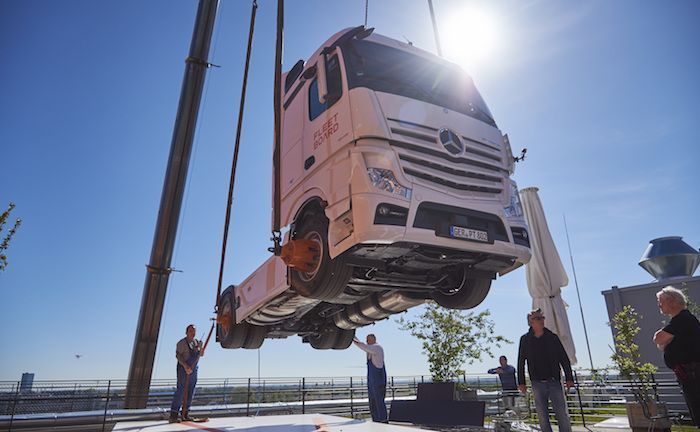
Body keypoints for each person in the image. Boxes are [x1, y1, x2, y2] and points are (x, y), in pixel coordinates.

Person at [517, 308, 574, 432]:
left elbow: (564, 358)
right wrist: (521, 382)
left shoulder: (552, 337)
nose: (542, 320)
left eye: (542, 318)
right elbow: (521, 361)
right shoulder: (525, 340)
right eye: (538, 318)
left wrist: (569, 378)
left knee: (562, 415)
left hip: (554, 381)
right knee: (542, 417)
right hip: (537, 383)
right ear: (531, 322)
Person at [653, 286, 700, 426]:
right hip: (689, 374)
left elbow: (658, 339)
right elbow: (660, 343)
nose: (659, 305)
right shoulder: (681, 320)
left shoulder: (683, 319)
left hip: (693, 374)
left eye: (661, 301)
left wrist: (666, 343)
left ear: (672, 302)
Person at [169, 324, 204, 423]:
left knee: (191, 392)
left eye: (194, 331)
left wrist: (201, 347)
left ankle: (185, 414)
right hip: (183, 369)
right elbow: (178, 355)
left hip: (194, 370)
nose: (193, 333)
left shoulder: (196, 342)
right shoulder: (181, 343)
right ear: (186, 332)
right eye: (190, 331)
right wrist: (185, 366)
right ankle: (173, 415)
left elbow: (201, 354)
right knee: (181, 391)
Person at [353, 334, 387, 423]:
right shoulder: (370, 349)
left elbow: (363, 346)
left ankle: (383, 420)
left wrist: (353, 341)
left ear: (373, 339)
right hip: (371, 380)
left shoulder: (377, 347)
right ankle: (375, 420)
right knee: (372, 401)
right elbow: (363, 345)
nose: (367, 341)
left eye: (368, 340)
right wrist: (352, 336)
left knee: (379, 400)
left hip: (378, 379)